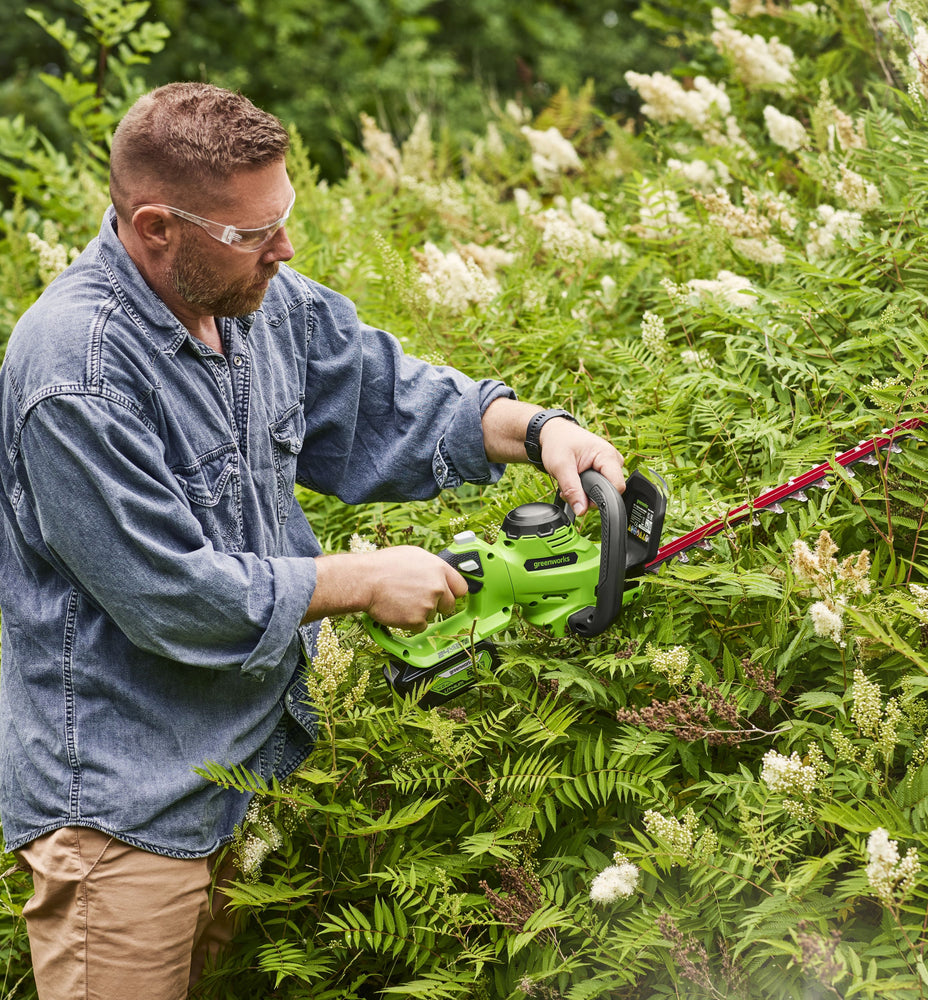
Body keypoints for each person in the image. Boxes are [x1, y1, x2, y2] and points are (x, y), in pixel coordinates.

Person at [0, 82, 625, 998]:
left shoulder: (256, 294)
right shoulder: (77, 375)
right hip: (123, 816)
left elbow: (381, 395)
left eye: (282, 217)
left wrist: (536, 432)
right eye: (251, 233)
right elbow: (169, 594)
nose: (282, 250)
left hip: (258, 773)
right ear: (154, 227)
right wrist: (363, 578)